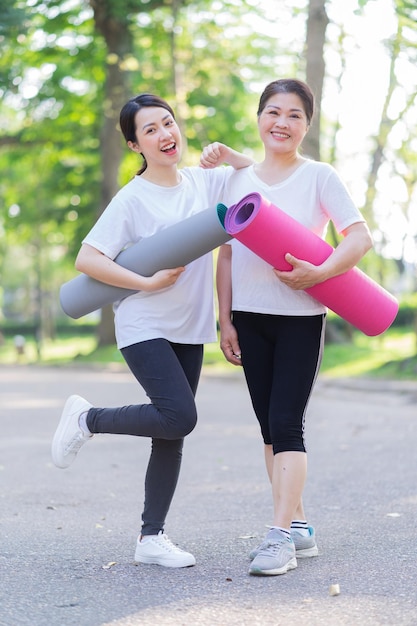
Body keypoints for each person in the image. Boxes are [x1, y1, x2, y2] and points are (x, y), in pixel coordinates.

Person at [51, 93, 252, 568]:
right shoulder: (132, 198)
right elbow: (87, 259)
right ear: (134, 144)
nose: (165, 135)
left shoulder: (204, 182)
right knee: (180, 415)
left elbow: (253, 177)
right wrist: (144, 282)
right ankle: (87, 419)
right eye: (151, 130)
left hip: (189, 325)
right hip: (144, 321)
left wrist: (227, 154)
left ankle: (151, 538)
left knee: (171, 431)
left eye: (169, 123)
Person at [201, 78, 373, 576]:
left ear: (306, 125)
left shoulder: (320, 176)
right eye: (273, 112)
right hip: (250, 319)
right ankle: (297, 525)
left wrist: (321, 273)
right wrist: (225, 319)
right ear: (259, 118)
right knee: (268, 429)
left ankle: (278, 538)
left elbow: (359, 238)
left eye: (294, 115)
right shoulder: (236, 179)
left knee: (287, 422)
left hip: (301, 319)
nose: (282, 122)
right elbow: (226, 255)